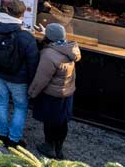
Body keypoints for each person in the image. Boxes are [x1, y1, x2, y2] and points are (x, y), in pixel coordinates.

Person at [0, 0, 40, 148]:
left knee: (1, 103)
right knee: (20, 107)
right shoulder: (26, 37)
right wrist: (31, 81)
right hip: (18, 79)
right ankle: (13, 139)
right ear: (22, 15)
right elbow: (33, 62)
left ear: (6, 10)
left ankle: (2, 134)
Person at [29, 23, 81, 159]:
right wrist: (46, 32)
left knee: (50, 121)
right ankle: (59, 148)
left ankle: (49, 146)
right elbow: (55, 40)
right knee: (62, 121)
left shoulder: (49, 54)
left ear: (49, 37)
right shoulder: (70, 48)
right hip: (67, 93)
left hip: (52, 95)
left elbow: (41, 79)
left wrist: (31, 93)